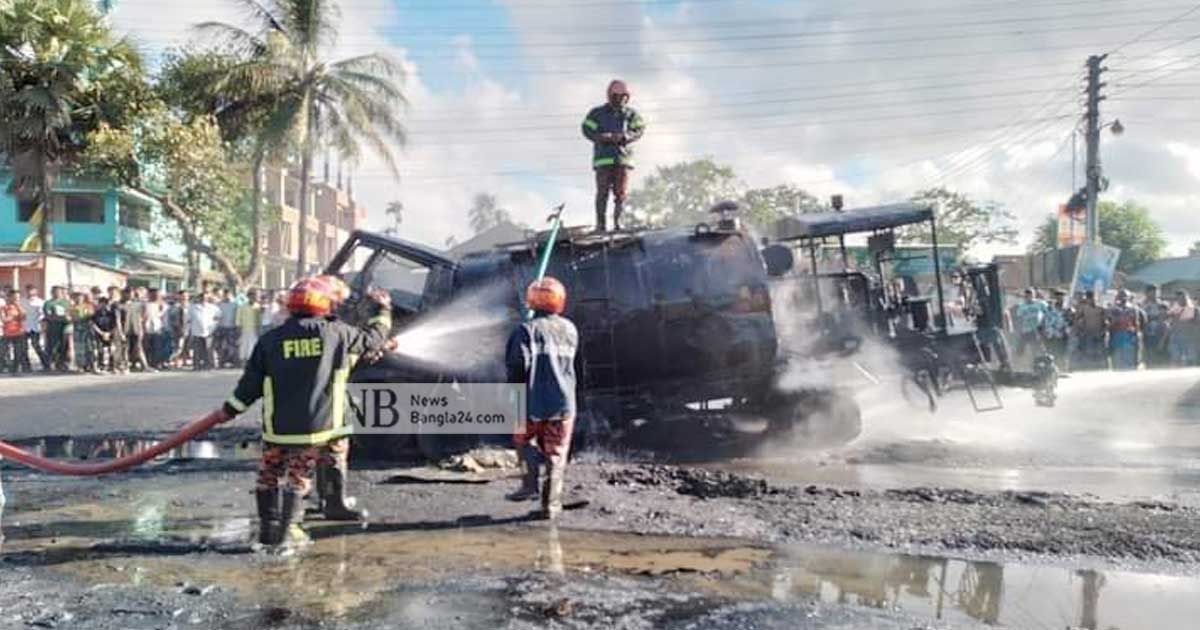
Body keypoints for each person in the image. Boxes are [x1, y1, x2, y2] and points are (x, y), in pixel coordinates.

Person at [211, 275, 394, 551]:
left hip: (279, 427)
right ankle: (287, 535)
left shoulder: (271, 340)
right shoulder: (337, 333)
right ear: (325, 306)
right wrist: (382, 311)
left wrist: (230, 409)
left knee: (270, 472)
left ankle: (271, 527)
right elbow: (374, 339)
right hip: (318, 426)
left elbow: (250, 385)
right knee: (299, 475)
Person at [505, 277, 579, 520]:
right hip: (562, 402)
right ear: (560, 301)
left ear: (530, 301)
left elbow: (515, 368)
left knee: (522, 442)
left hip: (529, 401)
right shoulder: (570, 330)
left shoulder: (524, 330)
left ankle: (528, 486)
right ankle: (550, 505)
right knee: (556, 454)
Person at [581, 79, 645, 232]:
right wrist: (604, 137)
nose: (620, 98)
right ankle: (601, 225)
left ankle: (618, 224)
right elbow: (587, 129)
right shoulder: (597, 113)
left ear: (627, 96)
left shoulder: (631, 114)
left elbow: (639, 129)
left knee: (620, 193)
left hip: (622, 160)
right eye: (616, 95)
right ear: (610, 95)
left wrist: (625, 137)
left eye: (623, 95)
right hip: (603, 160)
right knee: (602, 193)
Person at [1107, 288, 1145, 370]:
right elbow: (1109, 323)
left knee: (1128, 360)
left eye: (1124, 297)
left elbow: (1137, 323)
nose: (1122, 299)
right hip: (1116, 336)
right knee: (1117, 360)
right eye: (1121, 296)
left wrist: (1137, 336)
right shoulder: (1112, 309)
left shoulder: (1133, 309)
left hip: (1129, 336)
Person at [1071, 290, 1108, 371]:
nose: (1092, 300)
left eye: (1093, 298)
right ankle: (1089, 368)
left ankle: (1100, 369)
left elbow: (1107, 321)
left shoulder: (1101, 308)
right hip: (1087, 334)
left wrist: (1103, 331)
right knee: (1088, 353)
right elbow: (1076, 320)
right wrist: (1080, 329)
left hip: (1099, 335)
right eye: (1090, 298)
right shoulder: (1083, 308)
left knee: (1100, 354)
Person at [42, 286, 72, 372]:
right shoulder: (48, 303)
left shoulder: (66, 303)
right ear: (52, 293)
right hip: (52, 328)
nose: (57, 293)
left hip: (64, 328)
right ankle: (50, 364)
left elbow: (70, 314)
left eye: (59, 292)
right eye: (55, 292)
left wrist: (67, 318)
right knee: (51, 346)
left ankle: (63, 363)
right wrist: (61, 318)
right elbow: (48, 315)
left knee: (64, 346)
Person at [1012, 288, 1046, 364]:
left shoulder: (1040, 304)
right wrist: (1018, 331)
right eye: (1027, 296)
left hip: (1036, 330)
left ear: (1033, 295)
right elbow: (1019, 319)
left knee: (1037, 348)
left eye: (1030, 295)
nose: (1028, 297)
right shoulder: (1022, 306)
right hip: (1025, 330)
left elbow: (1045, 315)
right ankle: (1017, 364)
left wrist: (1043, 328)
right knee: (1020, 349)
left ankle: (1039, 363)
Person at [1141, 285, 1171, 368]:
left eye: (1155, 292)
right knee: (1148, 355)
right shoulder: (1142, 304)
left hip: (1160, 332)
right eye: (1152, 292)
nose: (1154, 294)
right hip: (1147, 333)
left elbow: (1167, 318)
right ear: (1146, 293)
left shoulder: (1163, 304)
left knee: (1161, 355)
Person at [189, 292, 221, 370]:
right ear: (199, 298)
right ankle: (196, 365)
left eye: (206, 298)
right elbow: (189, 320)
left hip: (209, 332)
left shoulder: (213, 308)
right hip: (196, 332)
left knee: (208, 349)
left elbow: (218, 317)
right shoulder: (193, 307)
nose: (204, 299)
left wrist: (214, 326)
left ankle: (209, 365)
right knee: (197, 350)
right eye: (202, 298)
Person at [1042, 289, 1071, 370]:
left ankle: (1063, 368)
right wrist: (1047, 332)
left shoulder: (1066, 310)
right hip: (1052, 334)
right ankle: (1053, 369)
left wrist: (1066, 328)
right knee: (1052, 352)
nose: (1060, 299)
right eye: (1058, 297)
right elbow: (1046, 321)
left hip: (1063, 335)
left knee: (1062, 352)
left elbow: (1069, 322)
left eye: (1061, 297)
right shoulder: (1050, 309)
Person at [1167, 290, 1199, 366]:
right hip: (1176, 338)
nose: (1181, 300)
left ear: (1187, 298)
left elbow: (1198, 325)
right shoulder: (1173, 309)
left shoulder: (1194, 310)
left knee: (1190, 360)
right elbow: (1169, 323)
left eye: (1183, 298)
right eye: (1179, 298)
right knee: (1175, 360)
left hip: (1190, 339)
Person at [2, 289, 29, 375]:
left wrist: (17, 309)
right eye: (14, 297)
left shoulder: (20, 307)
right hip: (7, 333)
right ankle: (6, 366)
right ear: (9, 297)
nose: (16, 299)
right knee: (3, 351)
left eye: (17, 297)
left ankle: (15, 369)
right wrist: (15, 317)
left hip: (19, 332)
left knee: (18, 352)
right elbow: (4, 320)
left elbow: (24, 317)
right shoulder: (4, 308)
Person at [21, 285, 47, 371]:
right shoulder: (22, 301)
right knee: (24, 347)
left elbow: (43, 314)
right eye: (28, 290)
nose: (30, 292)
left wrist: (41, 322)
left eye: (32, 290)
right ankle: (26, 366)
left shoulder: (40, 302)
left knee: (36, 346)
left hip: (35, 326)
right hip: (24, 327)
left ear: (35, 291)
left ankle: (46, 364)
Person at [91, 296, 120, 372]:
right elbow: (93, 324)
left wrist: (110, 333)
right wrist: (101, 333)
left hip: (110, 333)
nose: (103, 306)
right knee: (100, 350)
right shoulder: (96, 313)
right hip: (100, 333)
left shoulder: (112, 313)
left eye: (105, 304)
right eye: (101, 303)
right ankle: (101, 366)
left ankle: (113, 366)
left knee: (112, 349)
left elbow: (116, 324)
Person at [72, 291, 97, 373]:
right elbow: (70, 318)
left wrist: (83, 317)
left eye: (80, 297)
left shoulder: (88, 306)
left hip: (88, 329)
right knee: (79, 348)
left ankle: (91, 365)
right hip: (77, 330)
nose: (79, 299)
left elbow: (91, 316)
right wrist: (76, 318)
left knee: (90, 348)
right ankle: (80, 366)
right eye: (77, 297)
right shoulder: (72, 307)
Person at [235, 289, 262, 365]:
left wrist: (259, 328)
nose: (253, 297)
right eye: (251, 296)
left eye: (254, 296)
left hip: (254, 329)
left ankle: (252, 363)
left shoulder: (257, 306)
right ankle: (243, 362)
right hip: (244, 329)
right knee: (244, 346)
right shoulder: (242, 306)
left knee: (253, 346)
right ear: (248, 297)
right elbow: (238, 318)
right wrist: (238, 328)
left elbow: (259, 319)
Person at [144, 289, 167, 369]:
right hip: (147, 329)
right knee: (147, 347)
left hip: (158, 329)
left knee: (157, 348)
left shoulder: (162, 305)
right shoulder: (145, 304)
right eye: (153, 294)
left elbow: (163, 317)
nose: (155, 296)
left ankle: (156, 363)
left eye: (157, 295)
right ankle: (148, 364)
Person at [168, 290, 191, 368]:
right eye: (182, 296)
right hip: (178, 330)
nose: (184, 297)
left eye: (186, 296)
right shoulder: (175, 307)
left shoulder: (190, 306)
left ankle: (184, 361)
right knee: (178, 347)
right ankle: (175, 361)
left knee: (186, 346)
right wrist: (177, 328)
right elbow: (173, 319)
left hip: (189, 329)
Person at [217, 289, 239, 367]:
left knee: (232, 346)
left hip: (232, 327)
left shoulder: (235, 304)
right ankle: (221, 362)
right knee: (221, 346)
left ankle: (234, 362)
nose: (227, 296)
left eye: (228, 294)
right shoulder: (220, 304)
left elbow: (237, 316)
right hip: (221, 327)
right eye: (225, 294)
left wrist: (237, 327)